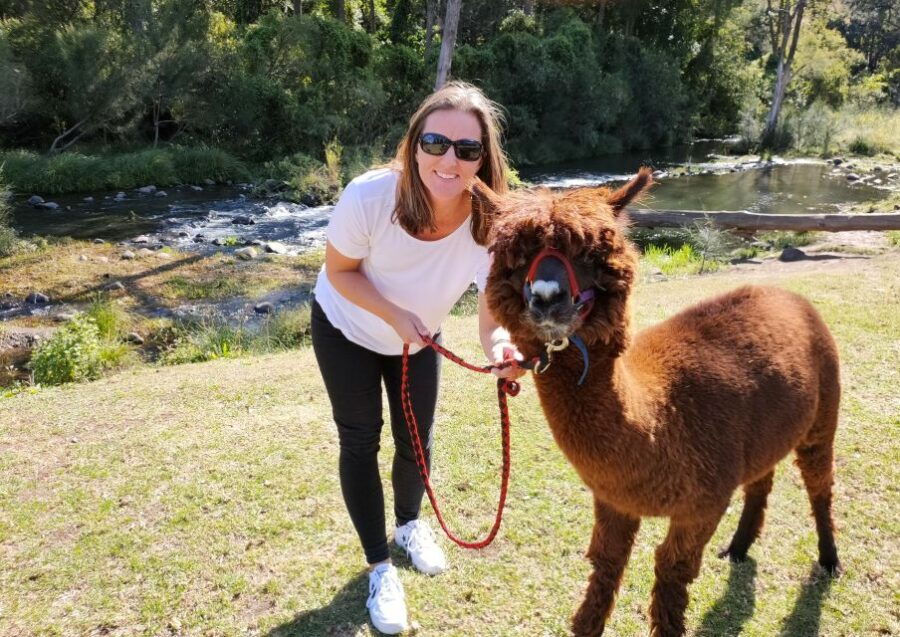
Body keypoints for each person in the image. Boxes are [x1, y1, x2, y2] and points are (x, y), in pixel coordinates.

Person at [310, 81, 525, 634]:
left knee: (416, 439)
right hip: (347, 327)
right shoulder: (369, 196)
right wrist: (392, 314)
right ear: (414, 145)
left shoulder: (490, 223)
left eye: (467, 149)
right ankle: (380, 566)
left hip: (418, 339)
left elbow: (489, 314)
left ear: (484, 158)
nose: (448, 159)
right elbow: (340, 273)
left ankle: (409, 525)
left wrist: (501, 349)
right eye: (436, 142)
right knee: (361, 439)